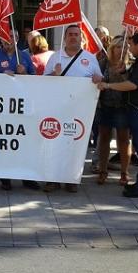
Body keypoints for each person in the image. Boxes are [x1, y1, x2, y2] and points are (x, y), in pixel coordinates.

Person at [97, 33, 138, 198]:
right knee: (106, 138)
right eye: (119, 46)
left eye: (128, 46)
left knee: (135, 145)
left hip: (132, 108)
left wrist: (110, 83)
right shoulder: (107, 63)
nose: (125, 49)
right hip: (109, 106)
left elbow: (133, 84)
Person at [43, 24, 103, 193]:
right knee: (54, 145)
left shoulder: (90, 58)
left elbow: (99, 80)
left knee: (75, 145)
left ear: (81, 38)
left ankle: (71, 179)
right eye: (70, 34)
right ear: (65, 37)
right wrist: (54, 74)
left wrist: (99, 78)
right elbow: (42, 83)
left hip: (79, 113)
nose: (73, 37)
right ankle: (52, 179)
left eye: (76, 34)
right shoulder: (56, 57)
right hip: (57, 110)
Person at [0, 33, 40, 191]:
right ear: (1, 39)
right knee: (5, 143)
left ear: (16, 39)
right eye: (5, 38)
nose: (8, 41)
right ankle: (5, 178)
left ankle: (27, 178)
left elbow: (36, 80)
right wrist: (1, 77)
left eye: (11, 38)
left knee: (25, 142)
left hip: (22, 107)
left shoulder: (24, 56)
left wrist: (24, 74)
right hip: (2, 107)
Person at [95, 37, 131, 186]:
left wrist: (125, 71)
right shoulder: (104, 63)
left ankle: (124, 172)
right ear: (112, 49)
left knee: (123, 139)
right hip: (105, 106)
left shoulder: (130, 65)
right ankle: (103, 170)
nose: (121, 50)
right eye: (118, 47)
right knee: (104, 138)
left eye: (124, 47)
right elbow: (96, 79)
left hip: (123, 107)